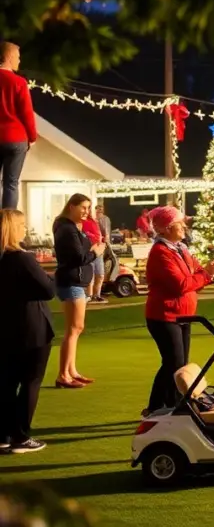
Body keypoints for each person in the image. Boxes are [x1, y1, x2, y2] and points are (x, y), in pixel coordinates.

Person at [143, 206, 214, 417]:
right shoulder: (160, 253)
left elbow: (194, 275)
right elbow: (180, 284)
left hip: (182, 315)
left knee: (180, 364)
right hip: (165, 316)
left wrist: (205, 274)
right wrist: (206, 275)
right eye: (180, 223)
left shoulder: (180, 249)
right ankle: (156, 406)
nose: (184, 226)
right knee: (173, 363)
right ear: (168, 228)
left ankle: (174, 403)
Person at [0, 208, 55, 453]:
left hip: (6, 328)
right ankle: (21, 436)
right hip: (32, 327)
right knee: (31, 381)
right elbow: (48, 291)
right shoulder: (23, 258)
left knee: (8, 382)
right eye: (21, 225)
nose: (25, 228)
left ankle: (4, 434)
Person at [52, 193, 105, 388]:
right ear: (71, 206)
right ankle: (63, 375)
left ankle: (71, 370)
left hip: (77, 281)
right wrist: (95, 252)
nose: (86, 212)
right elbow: (78, 258)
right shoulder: (66, 228)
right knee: (73, 329)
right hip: (71, 281)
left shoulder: (73, 228)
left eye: (88, 208)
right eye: (83, 207)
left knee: (76, 328)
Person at [0, 41, 36, 210]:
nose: (19, 61)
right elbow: (26, 113)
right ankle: (8, 221)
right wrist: (32, 137)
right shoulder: (18, 82)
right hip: (15, 138)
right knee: (11, 183)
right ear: (8, 57)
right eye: (18, 57)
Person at [81, 203, 106, 304]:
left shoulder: (94, 221)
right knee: (90, 274)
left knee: (100, 274)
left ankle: (97, 295)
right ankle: (89, 295)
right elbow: (83, 234)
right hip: (90, 250)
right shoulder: (82, 222)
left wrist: (101, 239)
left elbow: (98, 234)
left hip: (98, 249)